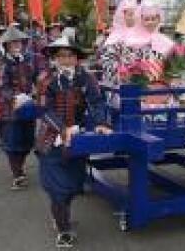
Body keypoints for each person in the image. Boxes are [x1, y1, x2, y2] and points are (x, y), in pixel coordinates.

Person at [35, 36, 112, 248]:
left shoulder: (86, 77)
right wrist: (62, 128)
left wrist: (101, 123)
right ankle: (63, 230)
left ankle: (61, 216)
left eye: (69, 55)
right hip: (50, 140)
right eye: (61, 56)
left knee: (74, 184)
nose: (65, 60)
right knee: (57, 187)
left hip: (78, 139)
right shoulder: (45, 78)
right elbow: (45, 110)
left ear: (76, 58)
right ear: (54, 58)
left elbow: (96, 102)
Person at [0, 26, 41, 190]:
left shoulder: (30, 60)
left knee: (27, 141)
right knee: (13, 142)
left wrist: (38, 89)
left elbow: (38, 78)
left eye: (18, 42)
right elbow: (1, 86)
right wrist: (14, 97)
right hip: (9, 109)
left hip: (28, 107)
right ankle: (17, 174)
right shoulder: (1, 63)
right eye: (12, 43)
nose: (16, 45)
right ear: (6, 46)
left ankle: (20, 166)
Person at [99, 0, 143, 85]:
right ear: (123, 16)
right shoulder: (115, 36)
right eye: (130, 14)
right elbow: (107, 59)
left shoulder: (143, 34)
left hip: (141, 80)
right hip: (120, 81)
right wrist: (122, 70)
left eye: (136, 14)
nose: (133, 17)